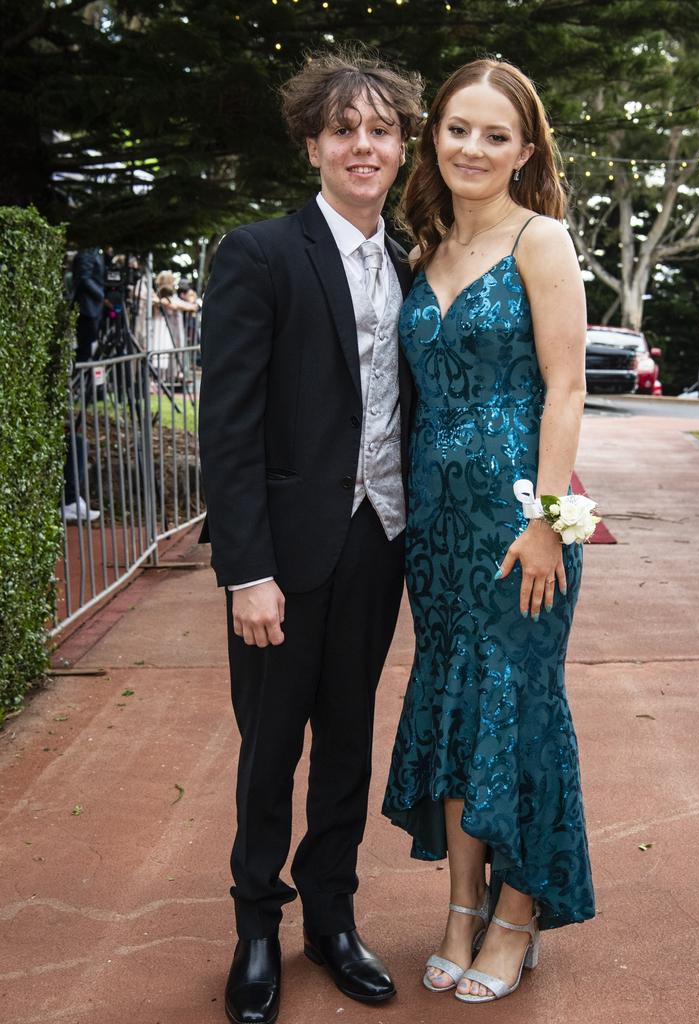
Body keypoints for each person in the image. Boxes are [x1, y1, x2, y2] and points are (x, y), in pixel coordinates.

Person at [198, 49, 422, 1024]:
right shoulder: (258, 253)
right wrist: (248, 570)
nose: (362, 145)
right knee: (268, 747)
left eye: (380, 129)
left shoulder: (415, 261)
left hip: (382, 538)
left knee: (347, 741)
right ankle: (257, 929)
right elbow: (228, 423)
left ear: (402, 146)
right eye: (344, 130)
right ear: (312, 145)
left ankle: (331, 918)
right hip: (283, 557)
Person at [382, 58, 595, 1003]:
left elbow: (567, 388)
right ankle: (462, 907)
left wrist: (548, 519)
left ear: (526, 149)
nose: (473, 147)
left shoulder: (540, 239)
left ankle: (519, 914)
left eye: (496, 134)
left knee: (517, 707)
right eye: (459, 128)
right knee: (454, 707)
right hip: (436, 528)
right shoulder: (419, 244)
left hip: (520, 526)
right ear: (436, 135)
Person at [71, 246, 105, 363]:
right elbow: (84, 279)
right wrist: (102, 295)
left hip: (93, 307)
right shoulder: (86, 252)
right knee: (85, 348)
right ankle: (80, 378)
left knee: (90, 347)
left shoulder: (96, 251)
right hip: (87, 308)